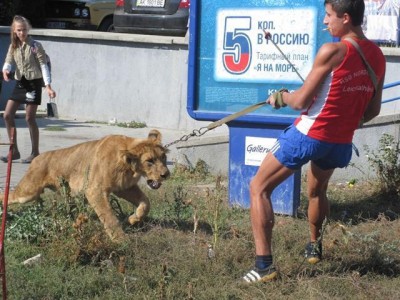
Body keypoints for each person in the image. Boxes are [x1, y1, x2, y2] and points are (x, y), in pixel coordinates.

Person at [243, 0, 386, 283]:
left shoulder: (332, 51)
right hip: (340, 143)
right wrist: (343, 118)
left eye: (328, 16)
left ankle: (263, 267)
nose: (325, 22)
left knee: (258, 187)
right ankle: (314, 247)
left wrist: (281, 97)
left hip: (310, 134)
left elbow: (300, 102)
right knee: (316, 191)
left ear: (345, 18)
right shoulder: (378, 56)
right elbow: (372, 111)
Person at [1, 15, 56, 164]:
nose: (22, 33)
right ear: (14, 31)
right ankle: (15, 151)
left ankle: (35, 153)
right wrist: (6, 70)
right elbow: (8, 61)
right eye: (19, 30)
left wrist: (48, 86)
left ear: (28, 29)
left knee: (29, 118)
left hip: (34, 83)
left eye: (24, 29)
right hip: (20, 83)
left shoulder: (35, 46)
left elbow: (44, 66)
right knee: (7, 115)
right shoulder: (13, 46)